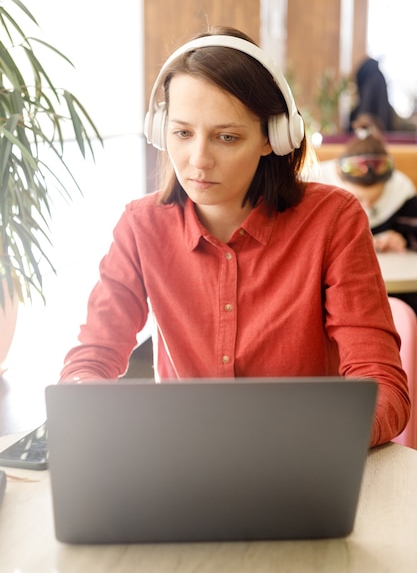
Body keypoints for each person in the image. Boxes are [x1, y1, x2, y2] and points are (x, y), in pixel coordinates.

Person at [60, 26, 410, 447]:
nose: (198, 160)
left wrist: (319, 438)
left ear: (272, 137)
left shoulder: (333, 221)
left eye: (227, 137)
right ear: (160, 129)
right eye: (182, 133)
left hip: (304, 463)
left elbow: (383, 386)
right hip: (184, 467)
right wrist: (82, 399)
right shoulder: (140, 226)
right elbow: (92, 358)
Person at [319, 124, 417, 312]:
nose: (367, 207)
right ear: (340, 176)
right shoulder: (315, 181)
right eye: (360, 199)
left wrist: (401, 237)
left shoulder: (401, 190)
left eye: (375, 199)